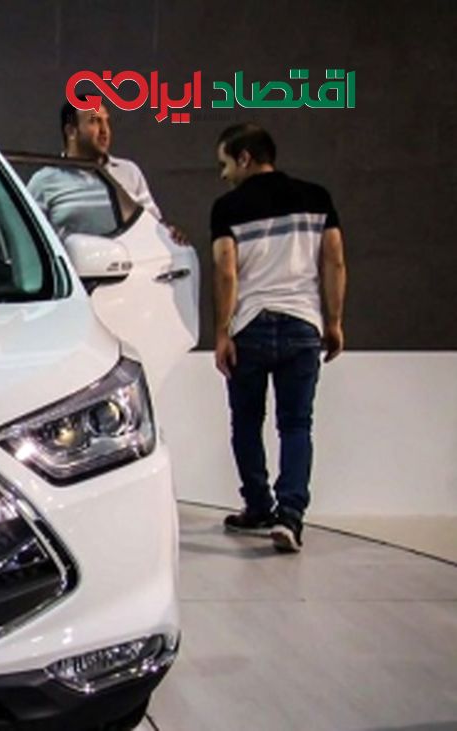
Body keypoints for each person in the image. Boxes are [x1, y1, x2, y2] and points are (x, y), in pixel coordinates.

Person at [211, 122, 347, 553]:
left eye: (225, 164)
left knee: (246, 423)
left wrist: (222, 332)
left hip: (250, 326)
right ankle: (290, 516)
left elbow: (226, 270)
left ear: (245, 158)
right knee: (296, 424)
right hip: (303, 323)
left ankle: (258, 506)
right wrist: (334, 321)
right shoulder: (316, 197)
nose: (224, 174)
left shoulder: (227, 207)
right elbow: (334, 260)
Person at [27, 100, 184, 241]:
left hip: (131, 263)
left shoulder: (130, 172)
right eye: (94, 121)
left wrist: (168, 233)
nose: (104, 130)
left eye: (106, 121)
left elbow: (154, 224)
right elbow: (30, 240)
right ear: (71, 131)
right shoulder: (43, 181)